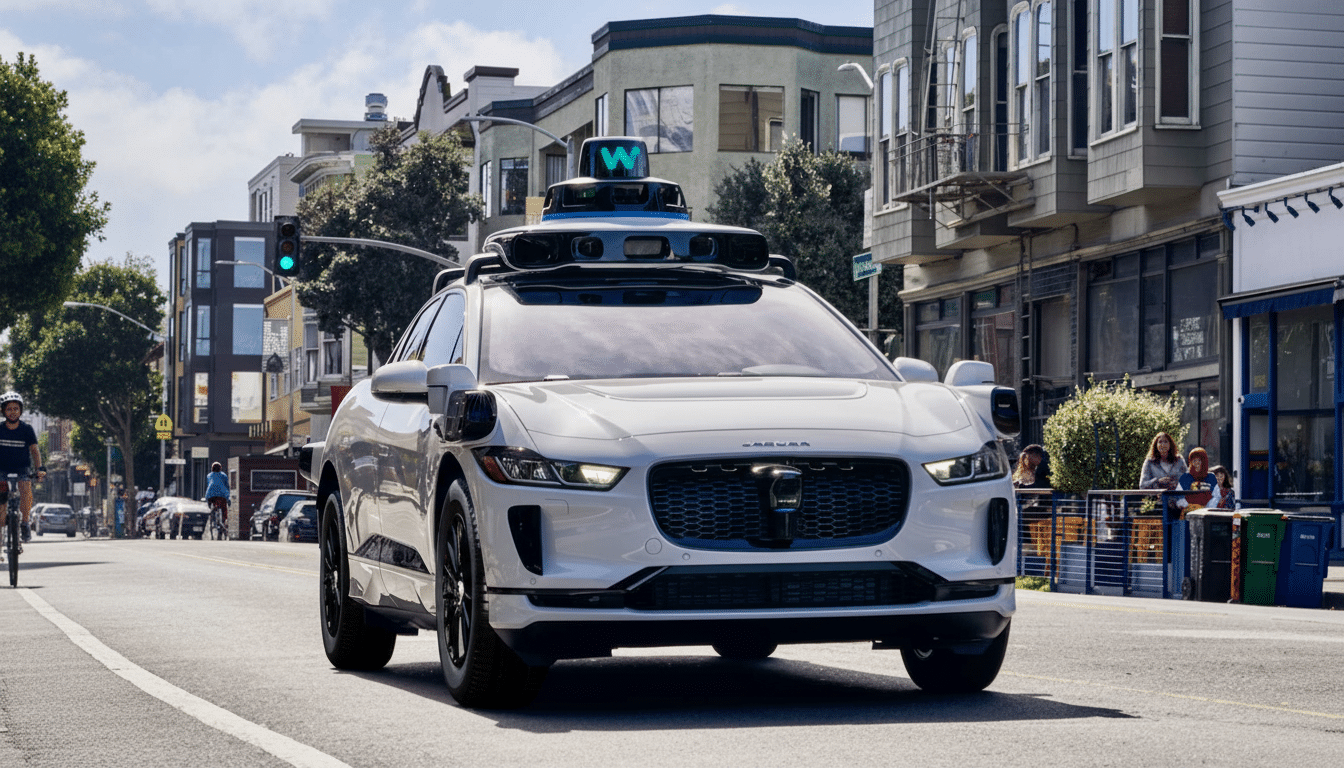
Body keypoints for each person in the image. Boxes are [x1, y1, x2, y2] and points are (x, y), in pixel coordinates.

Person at [0, 392, 47, 542]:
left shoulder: (27, 429)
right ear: (2, 411)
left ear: (20, 410)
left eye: (16, 408)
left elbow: (34, 450)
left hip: (22, 469)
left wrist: (40, 468)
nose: (12, 412)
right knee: (1, 511)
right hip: (1, 471)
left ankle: (25, 523)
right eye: (9, 409)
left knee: (26, 490)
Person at [1176, 447, 1216, 513]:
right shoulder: (1185, 477)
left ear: (1204, 462)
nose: (1196, 463)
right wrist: (1190, 506)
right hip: (1188, 512)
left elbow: (1216, 496)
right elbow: (1178, 496)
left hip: (1208, 512)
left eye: (1199, 460)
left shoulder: (1211, 477)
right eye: (1194, 461)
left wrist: (1206, 508)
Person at [205, 461, 230, 534]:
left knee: (212, 506)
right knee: (224, 507)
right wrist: (228, 496)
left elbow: (208, 484)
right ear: (220, 468)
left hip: (211, 494)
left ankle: (213, 519)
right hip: (222, 495)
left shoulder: (209, 475)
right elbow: (227, 485)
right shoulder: (224, 475)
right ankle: (224, 521)